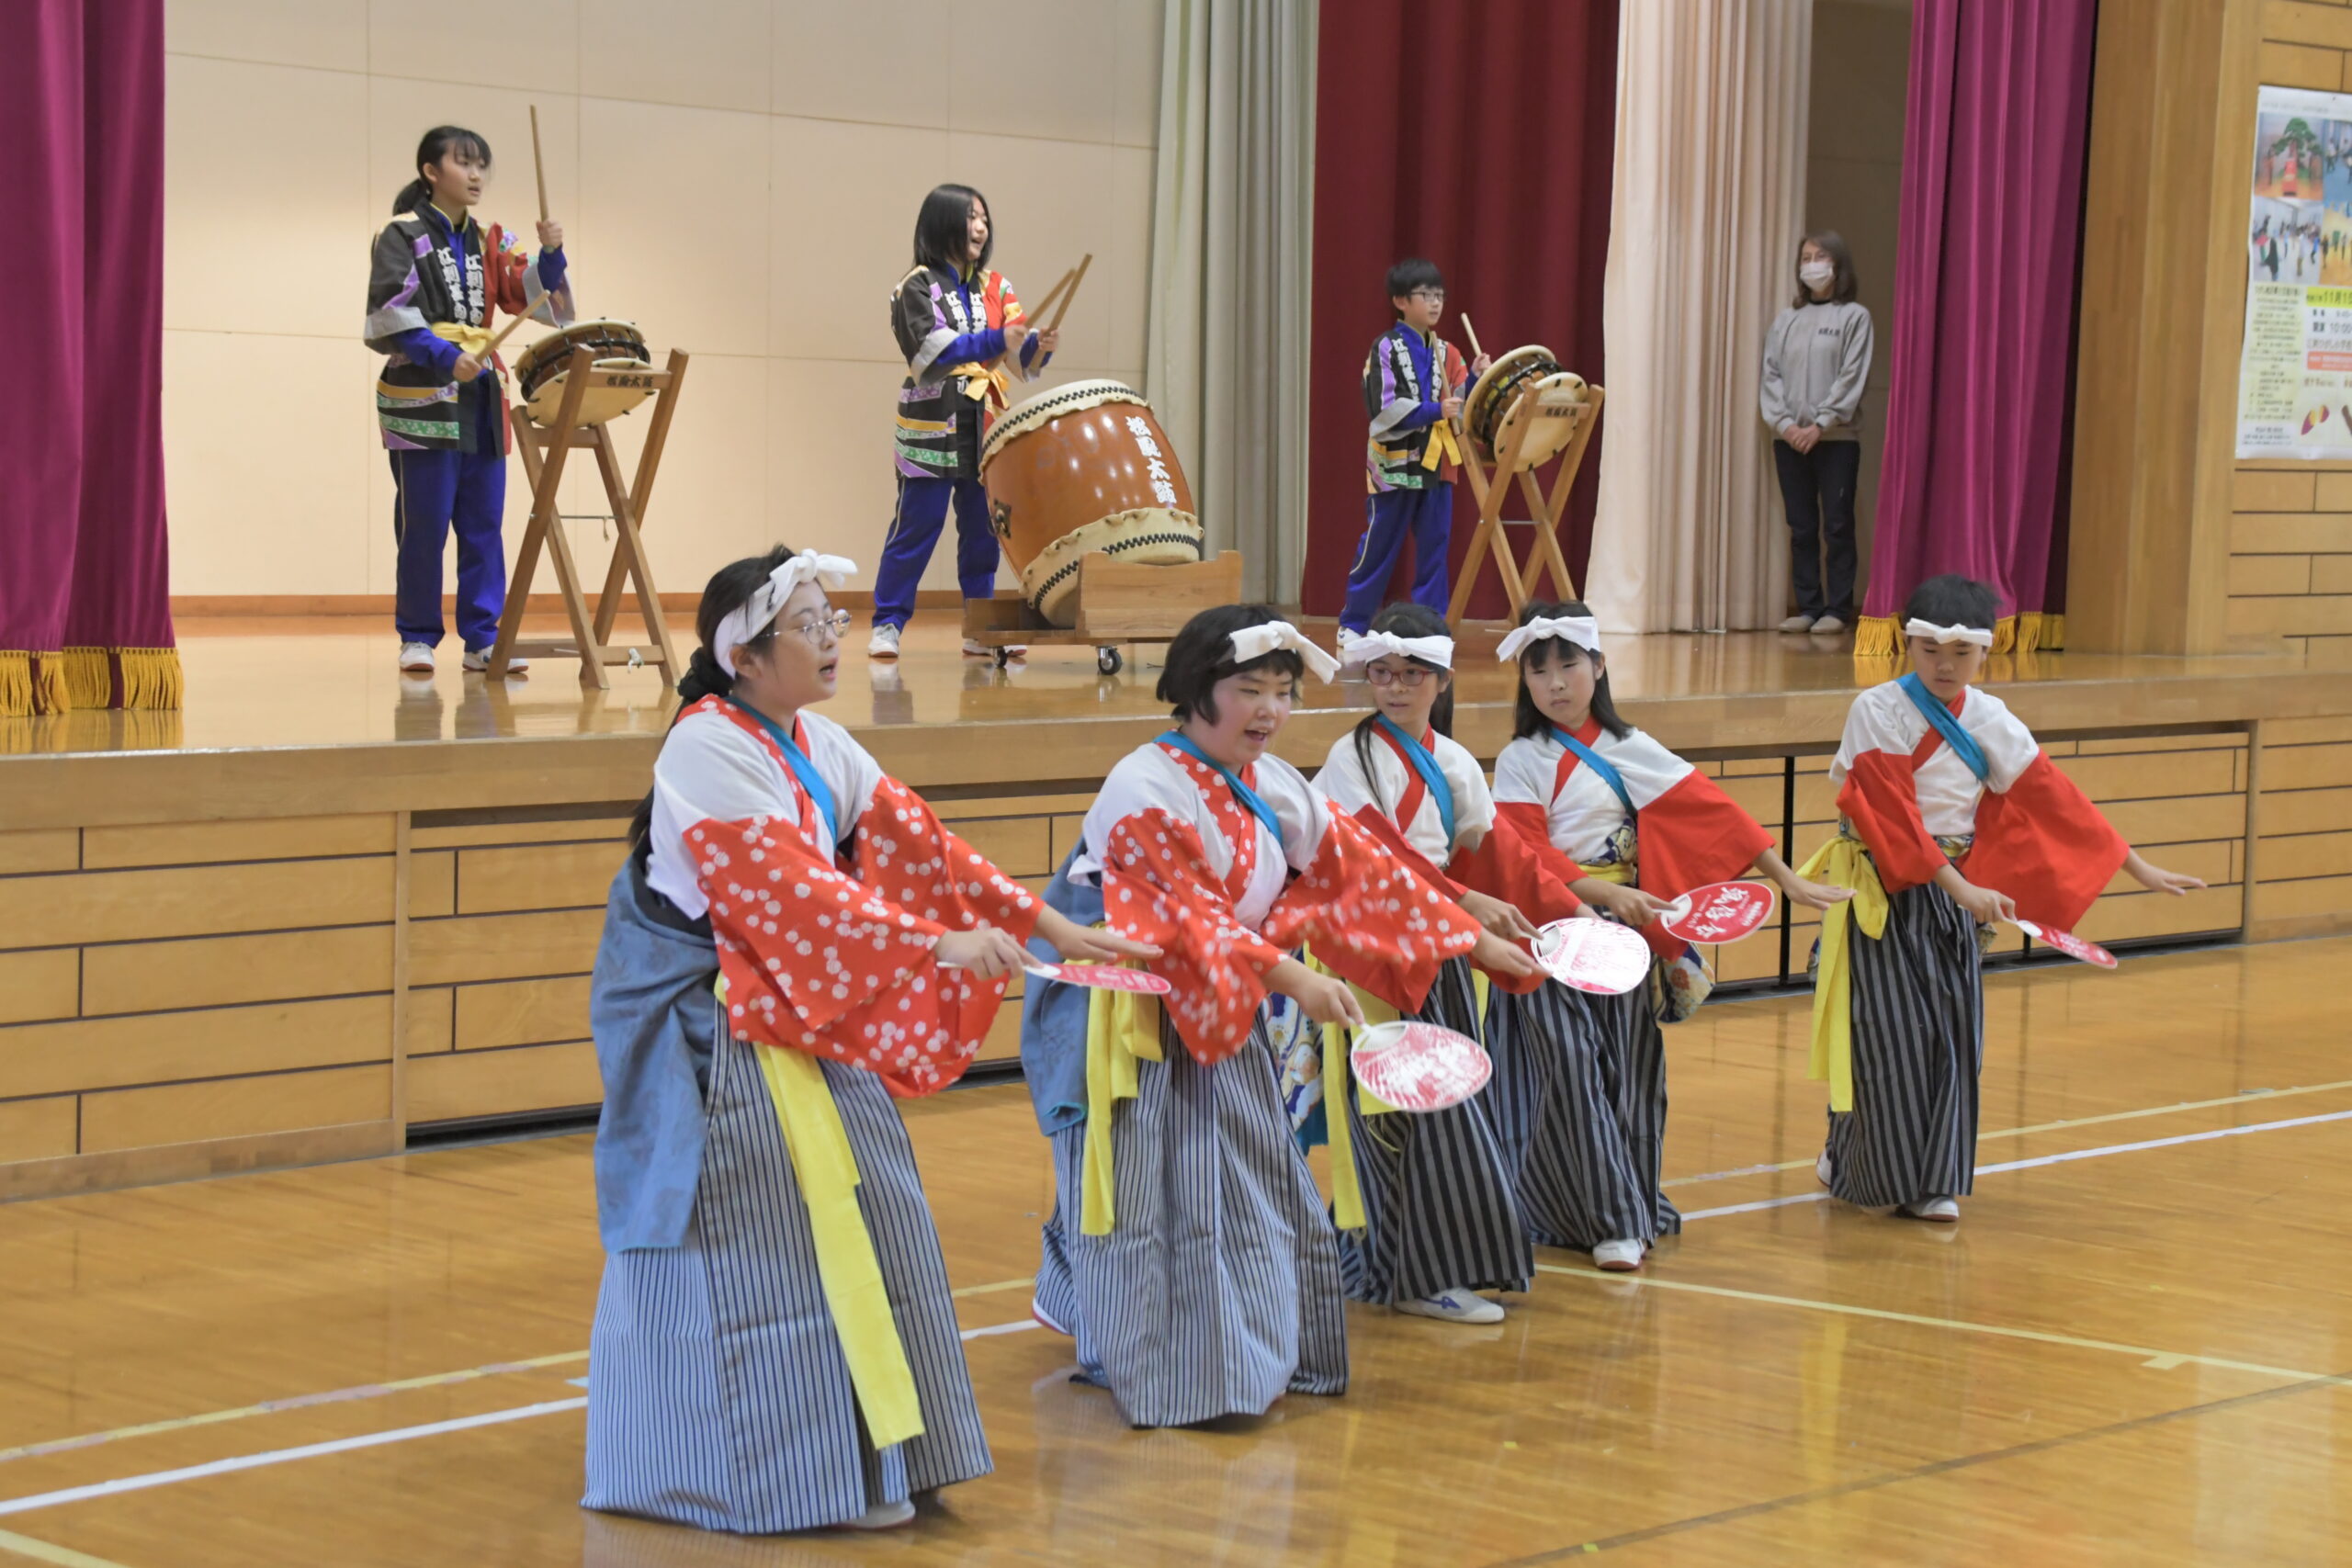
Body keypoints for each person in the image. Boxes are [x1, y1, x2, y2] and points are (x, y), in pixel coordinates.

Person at [582, 546, 1152, 1532]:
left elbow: (919, 840)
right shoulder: (705, 747)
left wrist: (1046, 924)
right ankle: (754, 1472)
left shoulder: (808, 739)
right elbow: (793, 900)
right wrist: (937, 942)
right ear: (746, 657)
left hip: (779, 1007)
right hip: (705, 1034)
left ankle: (876, 1452)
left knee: (872, 1196)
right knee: (753, 1224)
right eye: (809, 624)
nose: (831, 636)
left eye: (831, 619)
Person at [1022, 604, 1488, 1427]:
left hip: (1223, 1001)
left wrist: (1472, 938)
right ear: (1198, 689)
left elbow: (1362, 870)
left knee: (1249, 1181)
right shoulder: (1145, 783)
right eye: (1250, 689)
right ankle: (1156, 1365)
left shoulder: (1273, 784)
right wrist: (1296, 981)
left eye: (1283, 691)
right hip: (1129, 1020)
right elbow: (1187, 919)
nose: (1271, 709)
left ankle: (1248, 1352)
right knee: (1141, 1191)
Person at [1801, 574, 2205, 1224]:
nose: (1944, 664)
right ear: (1909, 643)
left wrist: (2137, 865)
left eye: (1961, 654)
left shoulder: (1989, 717)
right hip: (1884, 888)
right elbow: (1893, 819)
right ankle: (1862, 1165)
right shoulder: (1876, 710)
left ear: (1985, 654)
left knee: (1951, 1036)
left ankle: (1932, 1178)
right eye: (1931, 649)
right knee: (1886, 1035)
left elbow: (2054, 796)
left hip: (1955, 894)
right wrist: (1962, 888)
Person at [1486, 604, 1850, 1271]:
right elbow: (1526, 855)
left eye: (1569, 664)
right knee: (1568, 1074)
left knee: (1628, 1076)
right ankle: (1609, 1221)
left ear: (1598, 666)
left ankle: (1627, 1198)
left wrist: (1787, 879)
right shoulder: (1520, 759)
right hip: (1553, 933)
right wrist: (1603, 893)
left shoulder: (1630, 747)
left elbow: (1715, 815)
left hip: (1622, 936)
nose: (1557, 682)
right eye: (1539, 671)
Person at [1310, 602, 1559, 1324]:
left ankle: (1384, 1260)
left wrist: (1569, 913)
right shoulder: (1348, 759)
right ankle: (1415, 1274)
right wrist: (1466, 912)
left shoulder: (1452, 763)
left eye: (1412, 674)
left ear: (1442, 681)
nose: (1394, 687)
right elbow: (1375, 863)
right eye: (1382, 674)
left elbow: (1497, 858)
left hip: (1442, 949)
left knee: (1448, 1106)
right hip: (1379, 951)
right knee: (1394, 1113)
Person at [365, 125, 574, 677]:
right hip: (423, 391)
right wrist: (440, 354)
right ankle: (417, 636)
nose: (476, 174)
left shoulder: (492, 239)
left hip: (481, 391)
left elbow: (534, 297)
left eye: (482, 164)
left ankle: (484, 636)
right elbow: (390, 309)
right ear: (431, 173)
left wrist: (551, 254)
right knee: (424, 522)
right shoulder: (401, 233)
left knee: (483, 522)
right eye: (464, 163)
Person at [870, 185, 1057, 663]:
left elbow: (1016, 358)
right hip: (931, 424)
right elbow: (930, 353)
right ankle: (887, 623)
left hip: (986, 423)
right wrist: (997, 338)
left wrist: (1038, 346)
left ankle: (980, 628)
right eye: (972, 217)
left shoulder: (998, 287)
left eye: (985, 219)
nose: (981, 227)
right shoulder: (913, 286)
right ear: (943, 221)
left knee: (983, 530)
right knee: (917, 528)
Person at [1339, 258, 1489, 639]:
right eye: (1426, 295)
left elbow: (1460, 405)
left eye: (1439, 295)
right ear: (1401, 301)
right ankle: (1353, 625)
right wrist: (1436, 409)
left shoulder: (1448, 351)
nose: (1436, 303)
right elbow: (1384, 409)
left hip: (1438, 462)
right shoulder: (1385, 348)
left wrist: (1474, 379)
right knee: (1380, 546)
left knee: (1435, 550)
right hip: (1394, 463)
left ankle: (1430, 627)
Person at [1759, 231, 1872, 637]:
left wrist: (1821, 423)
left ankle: (1837, 609)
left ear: (1837, 264)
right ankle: (1808, 605)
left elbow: (1851, 377)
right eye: (1805, 257)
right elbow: (1770, 375)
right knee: (1801, 525)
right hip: (1789, 439)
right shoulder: (1786, 320)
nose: (1812, 264)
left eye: (1820, 256)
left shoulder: (1854, 317)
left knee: (1837, 524)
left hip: (1836, 439)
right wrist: (1786, 424)